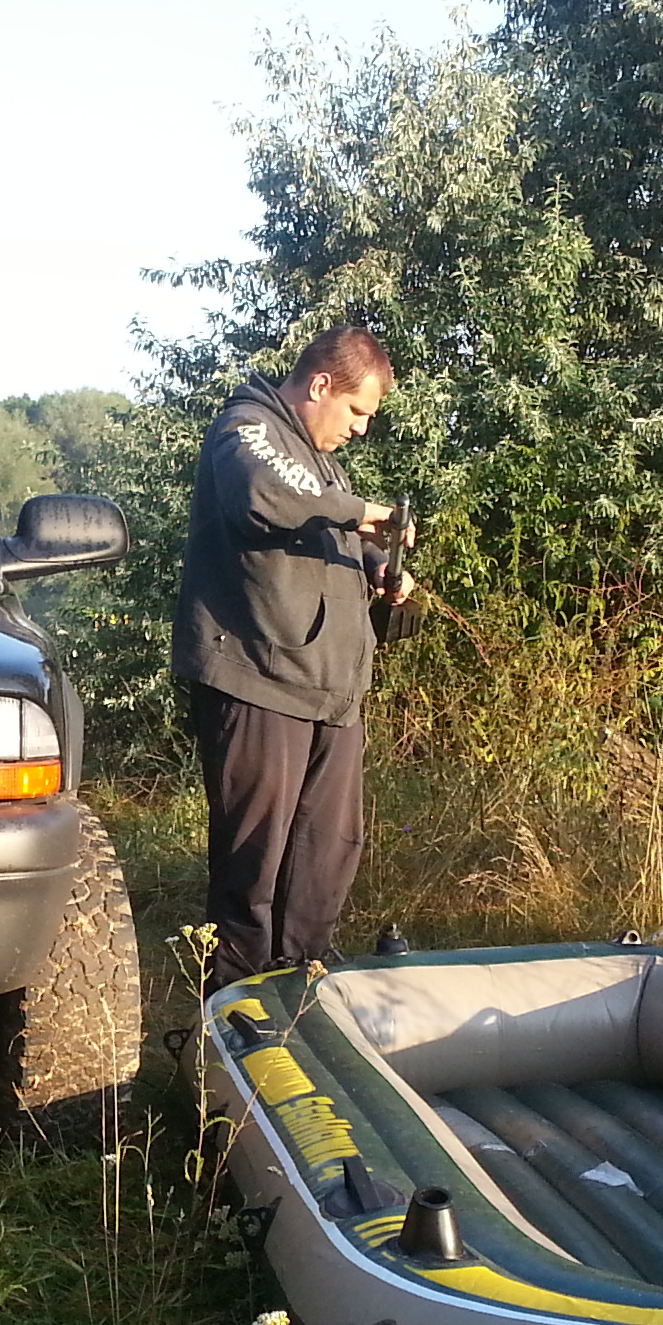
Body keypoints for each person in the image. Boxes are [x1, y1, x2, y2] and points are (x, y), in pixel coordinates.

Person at [171, 323, 415, 989]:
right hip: (258, 679)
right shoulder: (247, 428)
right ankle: (236, 1019)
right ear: (320, 385)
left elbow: (329, 524)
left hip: (332, 693)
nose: (362, 427)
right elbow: (265, 495)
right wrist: (361, 513)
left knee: (324, 859)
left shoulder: (321, 461)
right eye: (357, 410)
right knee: (253, 867)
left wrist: (381, 566)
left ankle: (303, 992)